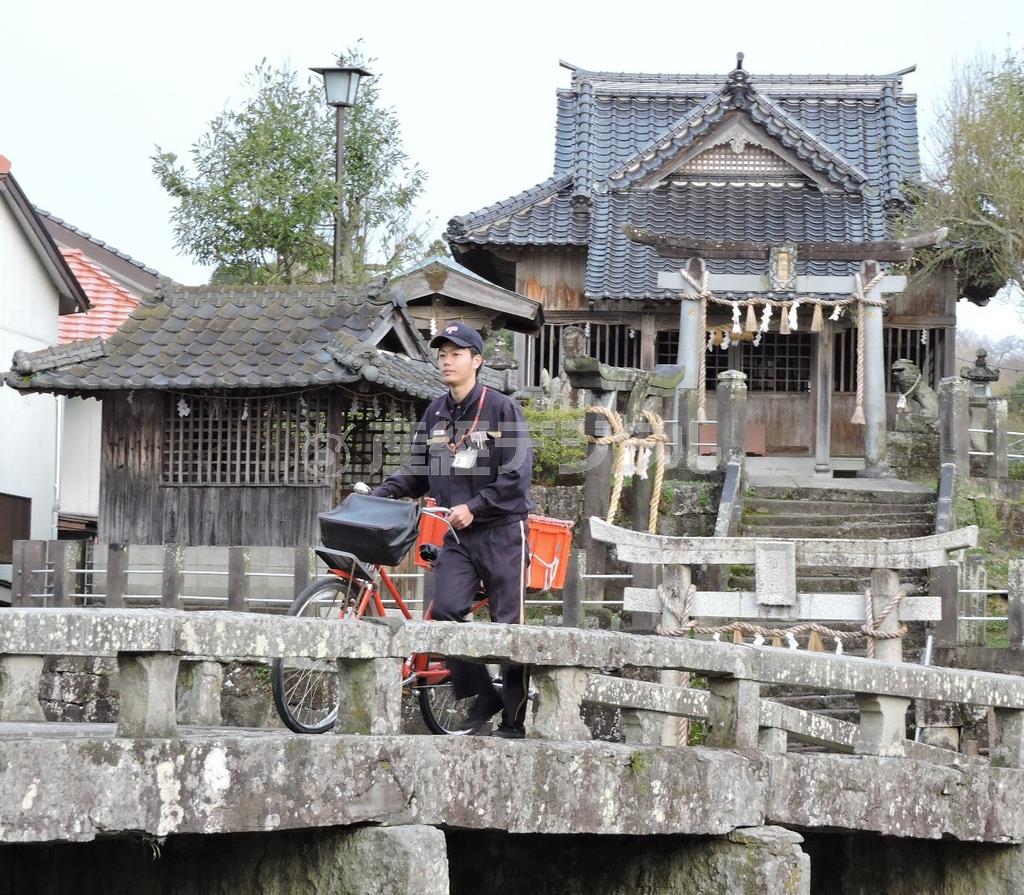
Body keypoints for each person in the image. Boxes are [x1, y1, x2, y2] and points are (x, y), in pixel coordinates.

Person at [372, 322, 533, 737]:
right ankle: (483, 693)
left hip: (502, 532)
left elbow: (517, 476)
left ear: (476, 362)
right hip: (458, 537)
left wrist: (475, 506)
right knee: (443, 612)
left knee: (507, 627)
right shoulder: (436, 413)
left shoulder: (501, 409)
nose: (446, 359)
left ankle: (514, 723)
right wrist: (383, 493)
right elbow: (420, 473)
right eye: (442, 353)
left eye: (456, 353)